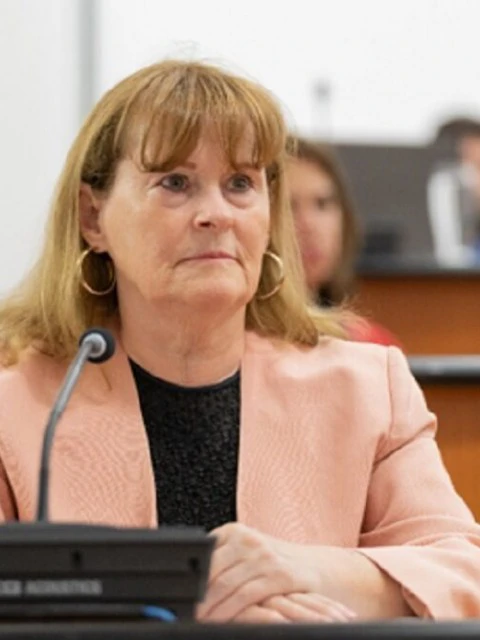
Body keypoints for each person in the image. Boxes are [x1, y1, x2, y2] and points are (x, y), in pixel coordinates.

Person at [0, 59, 479, 624]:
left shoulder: (368, 389)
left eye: (241, 184)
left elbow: (463, 572)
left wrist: (307, 571)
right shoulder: (17, 402)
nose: (217, 214)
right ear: (92, 216)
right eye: (175, 182)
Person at [286, 137, 401, 346]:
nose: (309, 225)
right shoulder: (236, 346)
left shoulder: (371, 345)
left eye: (322, 204)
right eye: (288, 206)